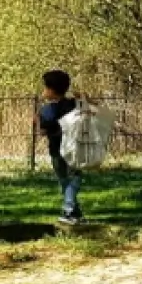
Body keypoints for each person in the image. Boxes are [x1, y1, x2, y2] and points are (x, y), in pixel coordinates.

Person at [37, 70, 85, 225]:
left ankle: (69, 210)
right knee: (74, 178)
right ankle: (73, 212)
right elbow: (89, 113)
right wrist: (83, 99)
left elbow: (43, 131)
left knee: (64, 179)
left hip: (56, 149)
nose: (43, 91)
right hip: (73, 148)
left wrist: (37, 120)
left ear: (50, 90)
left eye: (45, 88)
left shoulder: (47, 110)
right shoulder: (73, 104)